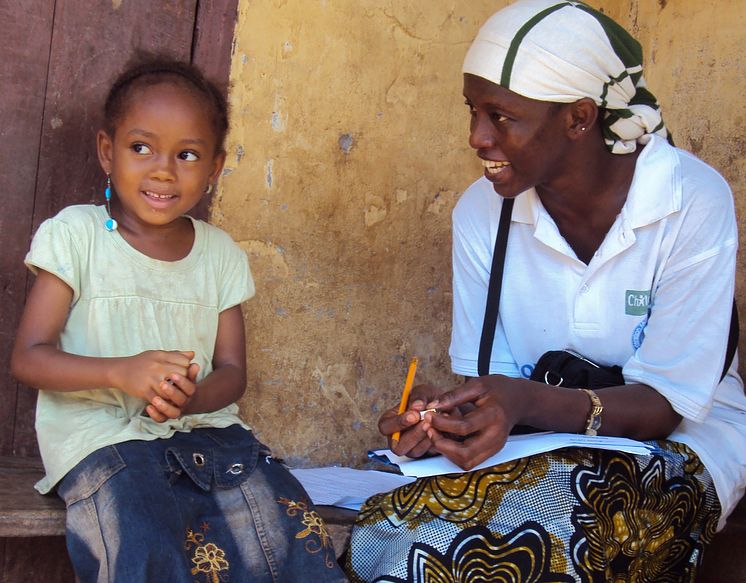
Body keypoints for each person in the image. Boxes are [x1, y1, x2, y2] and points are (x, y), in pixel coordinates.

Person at [344, 1, 746, 581]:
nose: (476, 137)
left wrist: (523, 402)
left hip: (685, 446)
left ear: (579, 118)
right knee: (388, 529)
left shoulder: (689, 202)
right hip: (540, 450)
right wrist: (452, 421)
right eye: (472, 111)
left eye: (501, 116)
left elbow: (666, 406)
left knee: (545, 532)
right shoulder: (483, 214)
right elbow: (499, 382)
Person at [10, 56, 347, 583]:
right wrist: (118, 372)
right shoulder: (74, 235)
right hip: (104, 441)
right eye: (141, 147)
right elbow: (29, 357)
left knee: (282, 525)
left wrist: (193, 397)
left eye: (187, 154)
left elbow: (233, 372)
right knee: (139, 536)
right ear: (107, 151)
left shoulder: (219, 254)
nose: (163, 169)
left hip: (207, 433)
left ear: (214, 169)